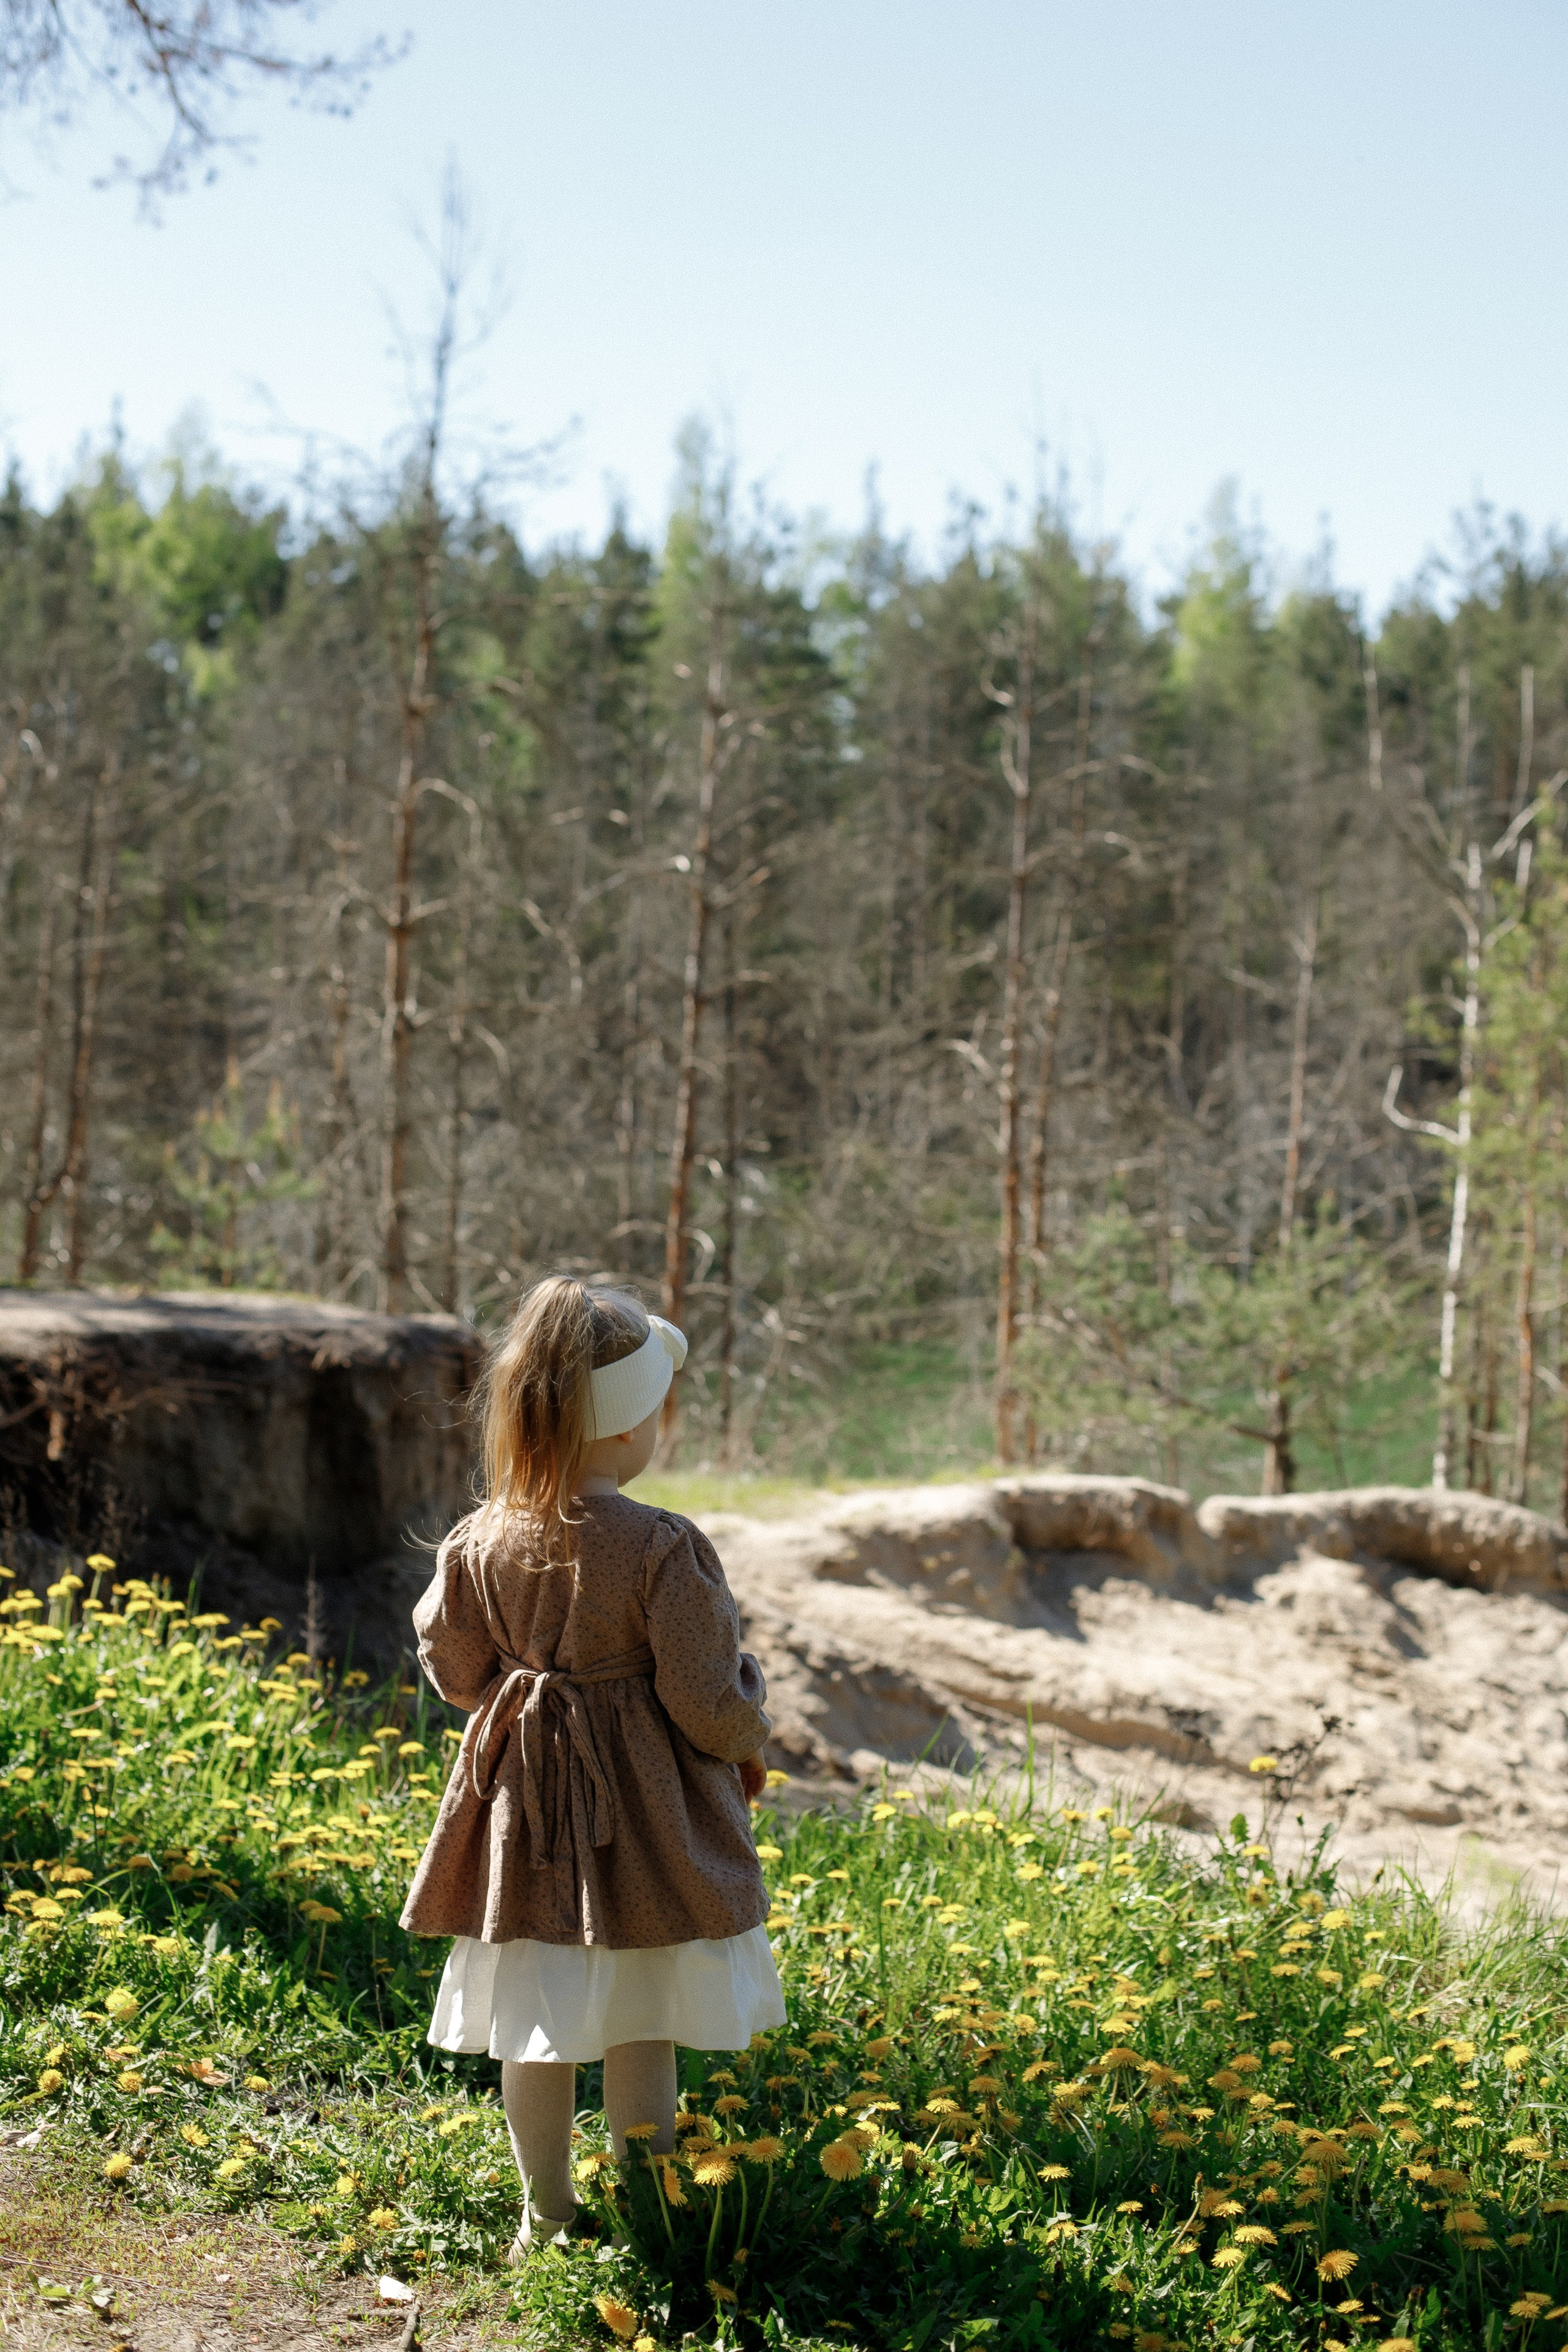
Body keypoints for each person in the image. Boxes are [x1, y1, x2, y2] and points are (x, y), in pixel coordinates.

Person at [399, 1276, 783, 2259]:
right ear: (623, 1432)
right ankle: (649, 2205)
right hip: (643, 1824)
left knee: (536, 2012)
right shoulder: (662, 1546)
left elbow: (453, 1670)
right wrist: (749, 1717)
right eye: (658, 1409)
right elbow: (704, 1700)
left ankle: (547, 2210)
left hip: (523, 1813)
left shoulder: (477, 1540)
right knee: (641, 2014)